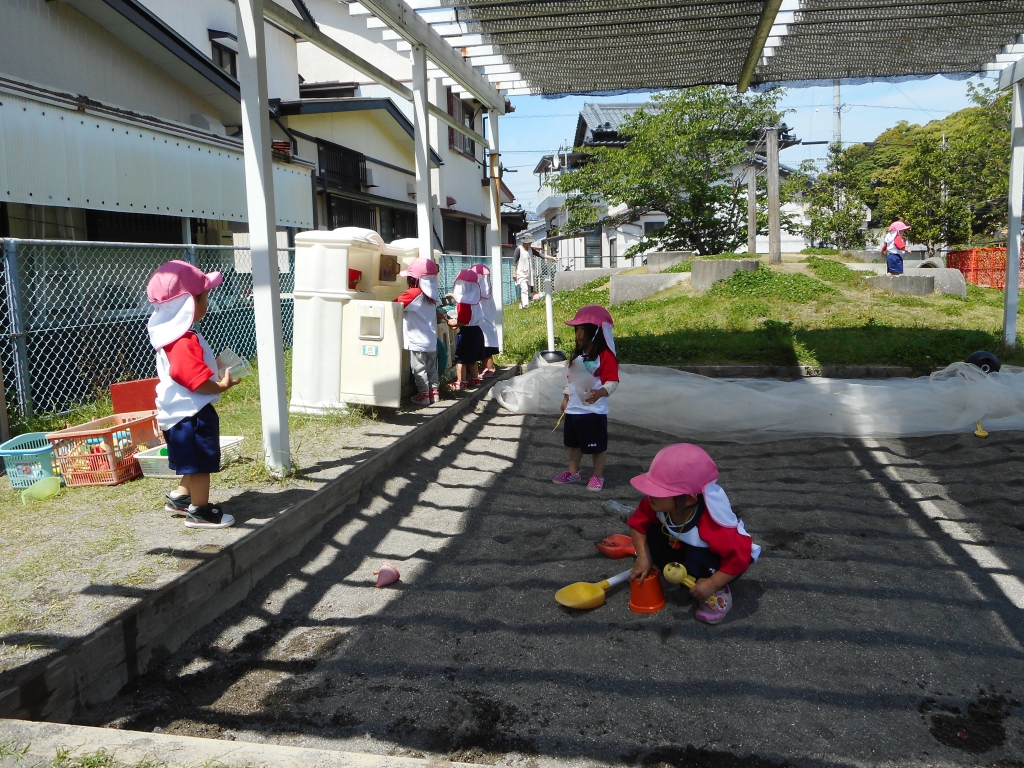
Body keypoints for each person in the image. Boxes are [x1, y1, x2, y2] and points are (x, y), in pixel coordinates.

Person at [147, 261, 239, 529]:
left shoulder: (172, 335)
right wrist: (221, 386)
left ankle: (180, 497)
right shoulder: (183, 340)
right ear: (189, 303)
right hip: (192, 413)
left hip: (177, 413)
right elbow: (192, 379)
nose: (207, 301)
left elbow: (190, 370)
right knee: (200, 463)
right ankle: (200, 511)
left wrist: (215, 366)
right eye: (205, 296)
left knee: (190, 459)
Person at [626, 443, 761, 625]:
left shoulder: (713, 525)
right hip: (683, 545)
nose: (649, 494)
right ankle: (672, 572)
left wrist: (713, 582)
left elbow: (739, 558)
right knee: (652, 532)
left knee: (698, 557)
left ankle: (718, 593)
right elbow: (637, 525)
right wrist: (643, 557)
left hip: (721, 562)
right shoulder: (655, 504)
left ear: (689, 499)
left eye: (659, 491)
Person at [554, 305, 619, 492]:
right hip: (575, 409)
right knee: (574, 444)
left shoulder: (605, 356)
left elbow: (612, 381)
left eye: (584, 329)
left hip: (594, 411)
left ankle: (597, 476)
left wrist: (599, 393)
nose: (579, 335)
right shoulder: (577, 355)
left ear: (597, 331)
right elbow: (571, 379)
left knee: (597, 445)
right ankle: (573, 472)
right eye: (577, 329)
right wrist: (566, 398)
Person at [395, 257, 440, 406]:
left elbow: (394, 304)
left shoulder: (413, 293)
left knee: (419, 368)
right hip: (431, 340)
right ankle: (435, 392)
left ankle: (424, 395)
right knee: (432, 368)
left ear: (415, 279)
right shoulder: (432, 296)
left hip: (417, 340)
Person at [447, 269, 484, 391]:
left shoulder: (464, 303)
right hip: (477, 331)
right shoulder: (475, 300)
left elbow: (464, 319)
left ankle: (460, 381)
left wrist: (454, 323)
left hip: (466, 333)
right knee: (471, 358)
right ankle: (475, 379)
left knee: (461, 359)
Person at [471, 263, 499, 378]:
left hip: (484, 324)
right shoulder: (487, 292)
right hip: (487, 323)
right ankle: (486, 367)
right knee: (486, 348)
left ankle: (489, 368)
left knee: (486, 349)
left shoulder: (478, 293)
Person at [515, 234, 535, 309]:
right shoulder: (519, 249)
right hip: (521, 272)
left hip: (528, 273)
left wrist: (551, 258)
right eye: (530, 242)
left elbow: (540, 254)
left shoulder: (530, 250)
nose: (531, 243)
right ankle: (525, 306)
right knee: (524, 288)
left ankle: (522, 304)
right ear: (526, 242)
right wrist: (514, 273)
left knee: (527, 289)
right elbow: (514, 262)